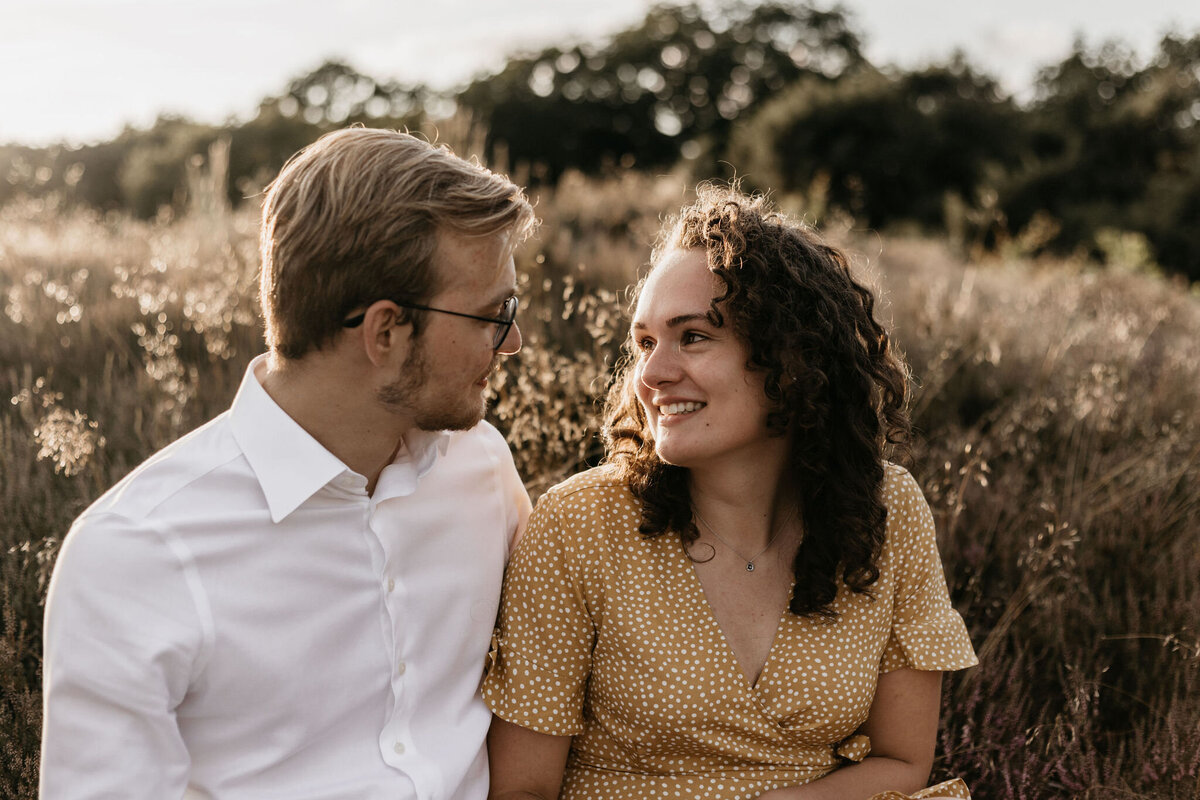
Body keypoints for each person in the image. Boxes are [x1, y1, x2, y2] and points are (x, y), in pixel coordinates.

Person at [40, 127, 537, 799]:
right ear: (385, 332)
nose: (512, 343)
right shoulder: (138, 553)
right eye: (494, 313)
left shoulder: (481, 471)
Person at [483, 185, 978, 800]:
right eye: (643, 343)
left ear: (792, 357)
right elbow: (521, 790)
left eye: (692, 337)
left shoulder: (885, 508)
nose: (652, 375)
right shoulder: (581, 524)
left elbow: (903, 761)